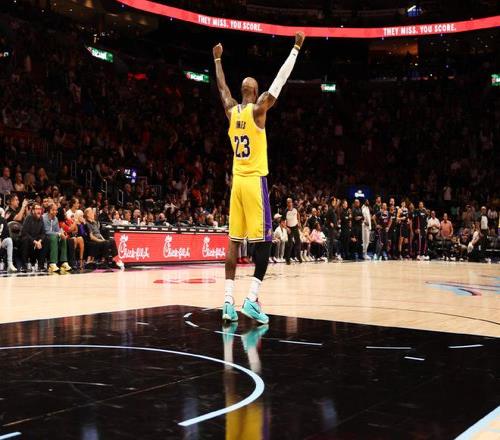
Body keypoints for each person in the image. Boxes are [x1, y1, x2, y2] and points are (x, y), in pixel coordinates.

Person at [214, 32, 305, 324]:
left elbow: (222, 88)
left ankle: (227, 303)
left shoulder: (232, 110)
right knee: (264, 242)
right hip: (254, 182)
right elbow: (280, 80)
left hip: (236, 184)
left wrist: (217, 60)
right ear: (256, 92)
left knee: (233, 242)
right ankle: (251, 299)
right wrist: (295, 48)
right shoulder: (258, 110)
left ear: (243, 91)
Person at [43, 203, 72, 273]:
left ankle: (64, 261)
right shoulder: (44, 218)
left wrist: (61, 233)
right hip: (44, 237)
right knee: (54, 237)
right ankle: (53, 263)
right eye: (54, 210)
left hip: (54, 236)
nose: (56, 212)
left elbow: (57, 230)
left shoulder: (56, 218)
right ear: (50, 210)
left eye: (56, 210)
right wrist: (58, 234)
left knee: (63, 238)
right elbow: (46, 231)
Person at [20, 203, 47, 272]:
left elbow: (43, 233)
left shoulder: (41, 218)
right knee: (25, 239)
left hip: (36, 241)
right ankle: (24, 266)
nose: (39, 211)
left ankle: (41, 265)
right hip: (28, 240)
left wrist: (39, 241)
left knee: (46, 239)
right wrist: (35, 241)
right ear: (33, 211)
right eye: (37, 209)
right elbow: (24, 232)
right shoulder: (28, 218)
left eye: (40, 209)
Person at [285, 197, 302, 264]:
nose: (289, 203)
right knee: (290, 244)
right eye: (288, 202)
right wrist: (286, 228)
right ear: (287, 203)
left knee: (298, 242)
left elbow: (298, 215)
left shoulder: (295, 209)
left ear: (292, 202)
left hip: (295, 227)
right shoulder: (285, 211)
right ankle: (287, 259)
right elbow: (282, 222)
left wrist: (299, 222)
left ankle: (298, 257)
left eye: (290, 202)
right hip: (289, 228)